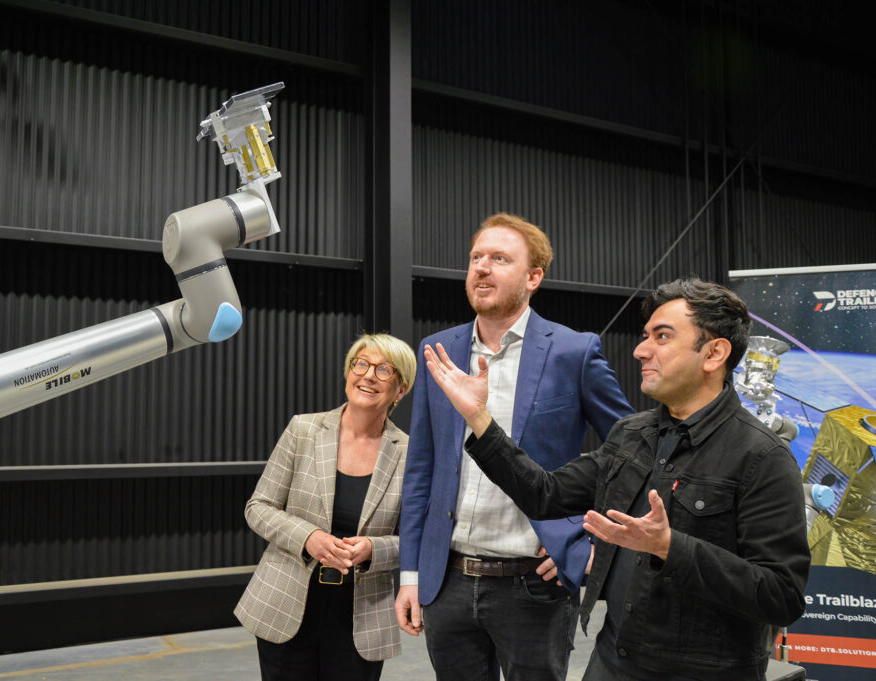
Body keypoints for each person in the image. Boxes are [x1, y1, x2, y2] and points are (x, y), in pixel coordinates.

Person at [423, 277, 810, 680]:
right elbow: (544, 495)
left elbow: (780, 595)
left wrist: (670, 547)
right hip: (613, 660)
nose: (641, 350)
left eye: (662, 337)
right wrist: (480, 420)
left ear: (714, 353)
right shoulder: (632, 435)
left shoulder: (762, 456)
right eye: (645, 336)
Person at [396, 213, 634, 681]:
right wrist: (410, 573)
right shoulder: (438, 352)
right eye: (476, 258)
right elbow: (422, 468)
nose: (481, 268)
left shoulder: (573, 351)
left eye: (499, 259)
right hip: (448, 580)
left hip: (534, 582)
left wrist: (590, 542)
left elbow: (634, 453)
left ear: (533, 277)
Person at [236, 333, 417, 681]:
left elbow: (415, 537)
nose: (367, 375)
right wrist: (309, 537)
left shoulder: (410, 454)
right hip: (285, 604)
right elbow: (258, 506)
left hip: (359, 617)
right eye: (360, 363)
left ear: (401, 389)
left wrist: (373, 549)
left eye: (383, 370)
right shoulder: (303, 429)